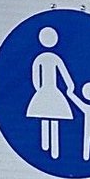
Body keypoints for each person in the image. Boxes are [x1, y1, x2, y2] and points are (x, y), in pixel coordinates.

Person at [26, 25, 75, 161]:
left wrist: (39, 90)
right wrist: (70, 87)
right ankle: (48, 149)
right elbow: (65, 76)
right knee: (51, 117)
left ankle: (50, 148)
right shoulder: (50, 58)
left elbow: (36, 78)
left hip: (46, 91)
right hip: (50, 91)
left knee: (50, 118)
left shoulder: (43, 58)